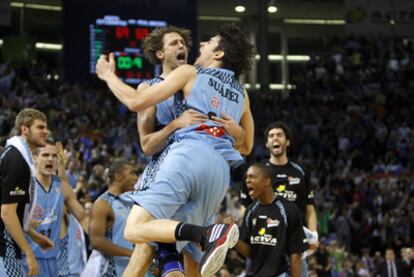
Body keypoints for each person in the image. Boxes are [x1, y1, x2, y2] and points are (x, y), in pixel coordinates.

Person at [96, 23, 255, 277]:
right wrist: (236, 133)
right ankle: (204, 236)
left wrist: (107, 75)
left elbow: (134, 104)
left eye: (206, 43)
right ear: (160, 54)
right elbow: (246, 146)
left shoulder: (191, 73)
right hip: (219, 173)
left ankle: (207, 234)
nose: (194, 46)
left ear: (219, 54)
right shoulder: (241, 93)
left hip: (184, 160)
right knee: (181, 256)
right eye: (175, 43)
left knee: (138, 231)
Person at [240, 121, 318, 276]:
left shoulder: (301, 171)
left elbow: (310, 208)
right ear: (267, 144)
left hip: (294, 245)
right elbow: (245, 208)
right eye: (271, 136)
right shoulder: (255, 172)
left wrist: (314, 234)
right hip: (263, 244)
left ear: (287, 142)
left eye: (279, 135)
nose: (275, 139)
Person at [22, 140, 89, 277]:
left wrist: (102, 240)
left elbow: (82, 218)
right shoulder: (24, 187)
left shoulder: (63, 187)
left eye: (54, 156)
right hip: (29, 259)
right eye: (45, 155)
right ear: (35, 158)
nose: (50, 159)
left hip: (56, 260)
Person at [0, 108, 53, 276]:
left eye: (46, 127)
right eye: (40, 127)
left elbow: (15, 211)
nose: (45, 131)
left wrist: (33, 235)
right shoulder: (16, 160)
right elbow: (7, 213)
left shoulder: (18, 155)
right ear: (25, 129)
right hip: (5, 246)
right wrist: (29, 252)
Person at [233, 163, 305, 277]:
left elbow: (295, 256)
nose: (247, 180)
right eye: (246, 177)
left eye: (252, 176)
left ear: (266, 181)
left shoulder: (289, 211)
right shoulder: (251, 210)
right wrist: (232, 237)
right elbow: (251, 253)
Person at [87, 159, 138, 276]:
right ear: (119, 177)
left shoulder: (130, 202)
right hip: (109, 271)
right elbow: (96, 241)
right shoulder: (102, 203)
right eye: (132, 173)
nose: (136, 178)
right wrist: (132, 253)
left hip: (129, 269)